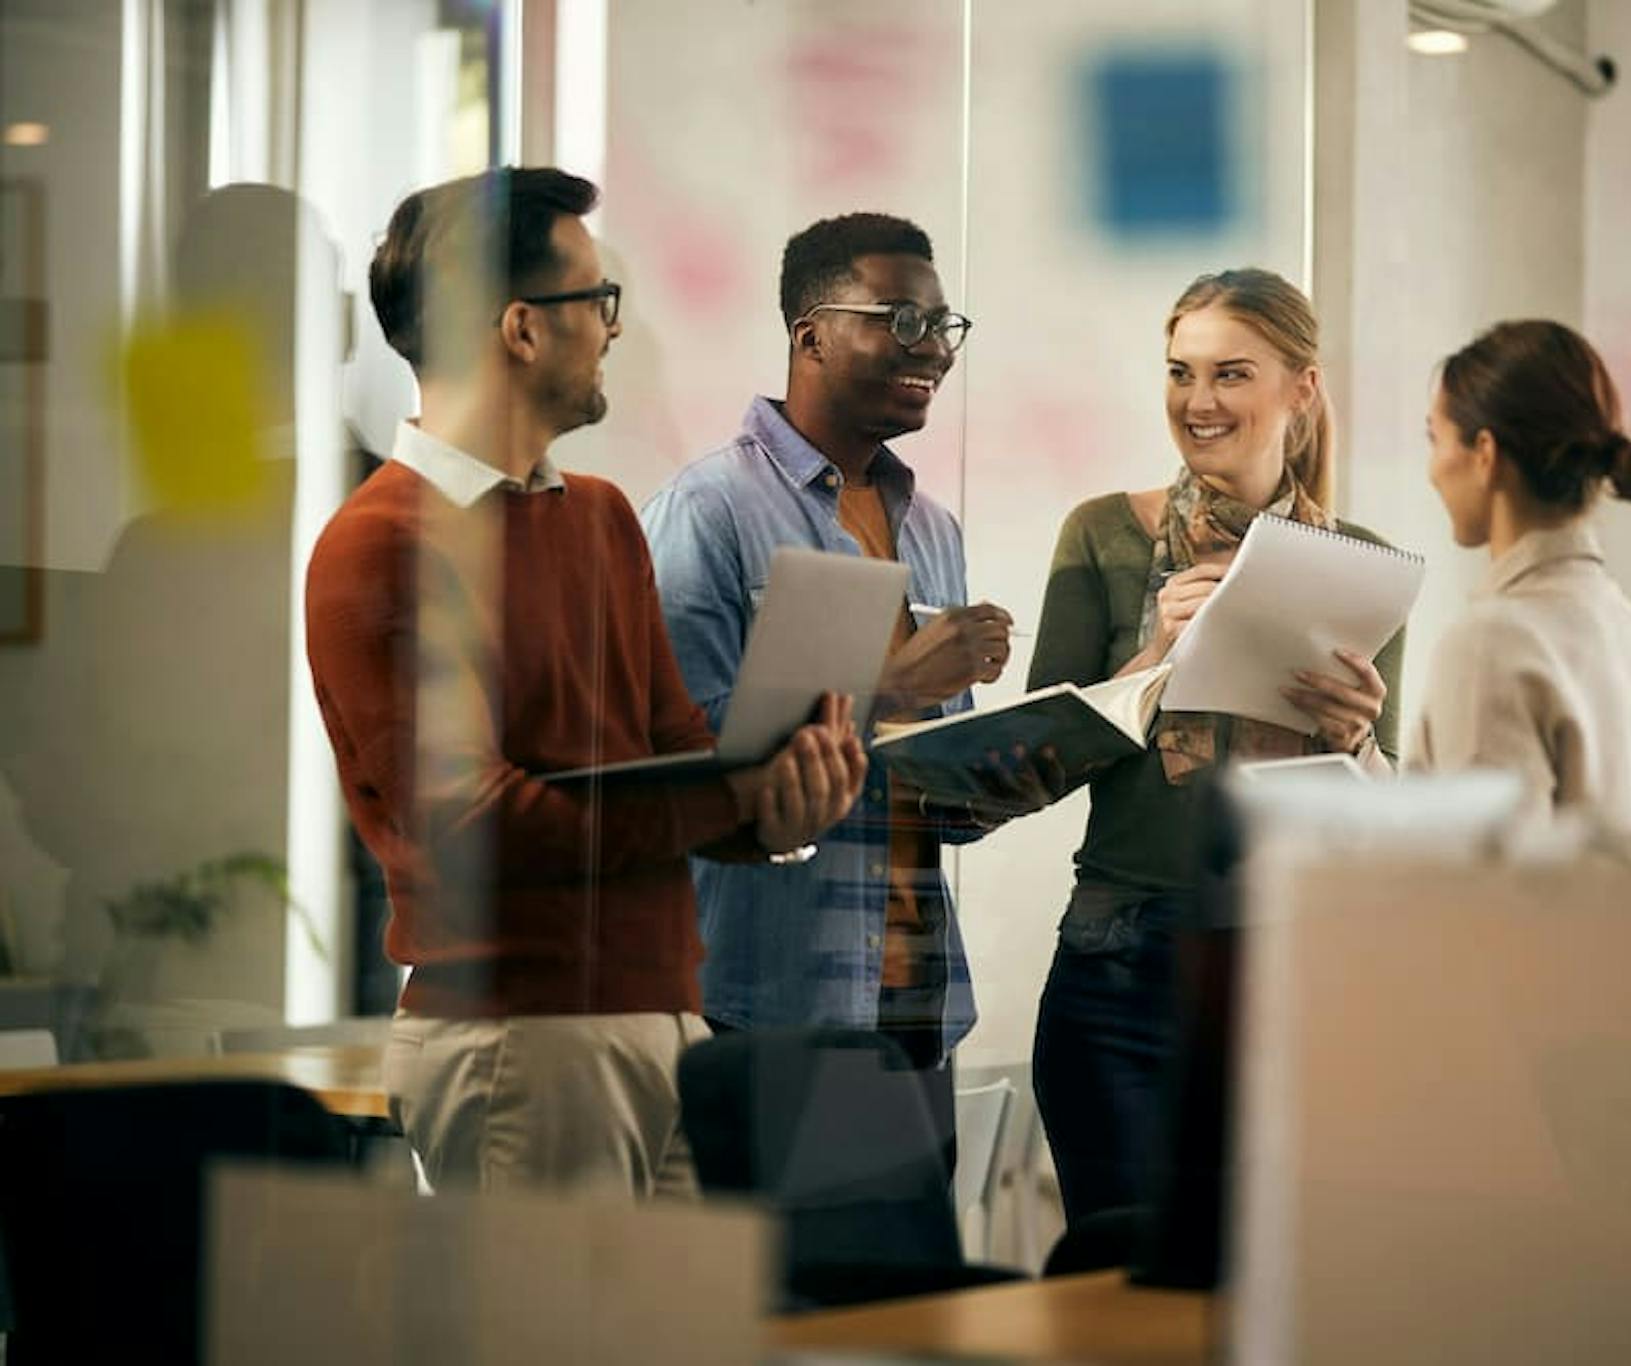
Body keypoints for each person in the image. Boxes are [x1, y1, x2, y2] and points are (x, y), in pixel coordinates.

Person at [304, 167, 864, 1196]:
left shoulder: (601, 516)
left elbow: (674, 759)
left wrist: (780, 804)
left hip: (663, 1020)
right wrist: (724, 791)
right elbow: (473, 821)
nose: (612, 328)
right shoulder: (379, 544)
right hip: (522, 1033)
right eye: (595, 300)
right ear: (519, 328)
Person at [640, 212, 1053, 1159]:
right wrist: (892, 683)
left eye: (943, 327)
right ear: (810, 333)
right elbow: (687, 766)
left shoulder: (932, 527)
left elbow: (923, 782)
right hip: (766, 999)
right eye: (902, 322)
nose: (934, 352)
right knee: (770, 1300)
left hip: (914, 1000)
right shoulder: (707, 511)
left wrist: (1009, 776)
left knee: (902, 1298)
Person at [1026, 268, 1408, 1225]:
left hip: (1286, 969)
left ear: (1301, 389)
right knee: (1114, 1294)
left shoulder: (1359, 567)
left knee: (1256, 1300)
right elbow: (1033, 763)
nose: (1198, 403)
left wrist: (1355, 742)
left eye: (1231, 374)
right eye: (1180, 373)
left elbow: (1389, 815)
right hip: (1115, 968)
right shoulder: (1103, 536)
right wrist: (1153, 660)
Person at [1410, 318, 1631, 831]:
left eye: (1434, 438)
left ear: (1485, 455)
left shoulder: (1489, 646)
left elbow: (1489, 899)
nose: (1432, 468)